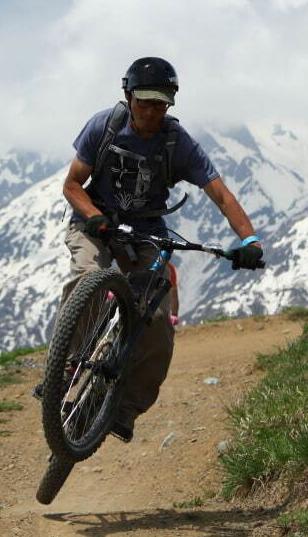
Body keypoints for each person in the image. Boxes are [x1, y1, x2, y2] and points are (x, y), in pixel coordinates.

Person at [54, 56, 264, 444]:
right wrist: (96, 217)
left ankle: (126, 408)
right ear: (127, 96)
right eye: (144, 102)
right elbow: (71, 186)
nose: (151, 111)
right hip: (95, 223)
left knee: (156, 322)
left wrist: (249, 240)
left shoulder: (176, 143)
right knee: (87, 277)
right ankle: (64, 366)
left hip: (145, 230)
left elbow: (221, 194)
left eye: (160, 104)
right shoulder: (103, 127)